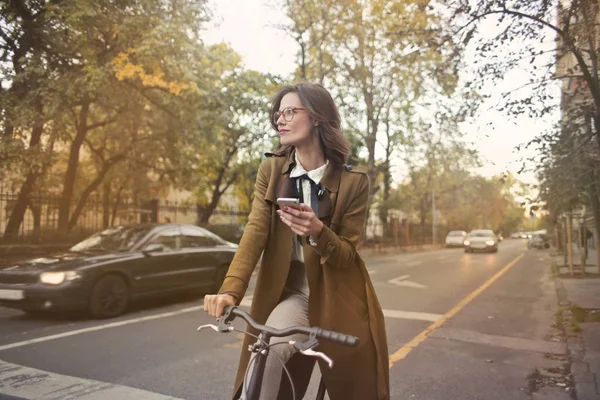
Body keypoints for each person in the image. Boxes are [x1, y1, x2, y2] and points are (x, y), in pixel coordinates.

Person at [204, 82, 389, 400]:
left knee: (356, 388)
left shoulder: (353, 182)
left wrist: (318, 231)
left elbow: (346, 255)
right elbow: (255, 231)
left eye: (290, 111)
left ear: (317, 117)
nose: (281, 119)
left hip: (338, 299)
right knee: (266, 358)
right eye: (278, 113)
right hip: (295, 297)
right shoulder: (273, 170)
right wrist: (230, 290)